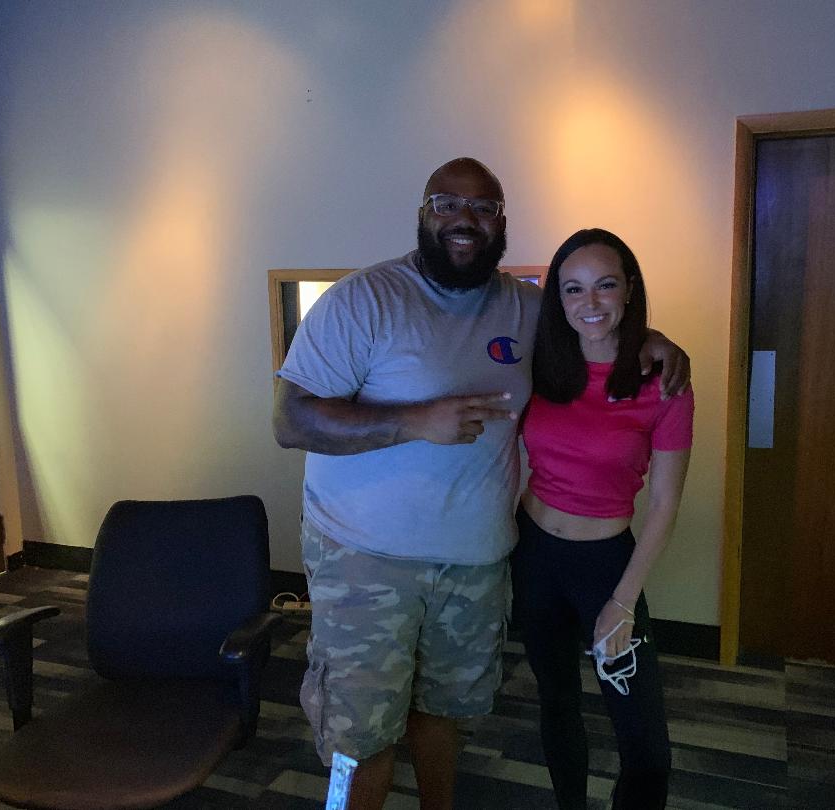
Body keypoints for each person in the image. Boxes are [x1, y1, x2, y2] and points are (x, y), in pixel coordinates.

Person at [272, 158, 689, 810]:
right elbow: (291, 420)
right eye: (446, 203)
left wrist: (654, 340)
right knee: (359, 736)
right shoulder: (363, 299)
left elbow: (593, 320)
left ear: (501, 222)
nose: (464, 218)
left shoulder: (527, 309)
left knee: (445, 714)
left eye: (483, 207)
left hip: (475, 565)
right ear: (423, 213)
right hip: (365, 562)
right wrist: (414, 420)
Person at [513, 228, 693, 810]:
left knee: (645, 745)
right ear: (558, 299)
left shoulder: (664, 381)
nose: (589, 303)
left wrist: (622, 600)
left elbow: (664, 503)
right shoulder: (538, 366)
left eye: (605, 285)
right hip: (534, 557)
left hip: (605, 567)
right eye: (573, 289)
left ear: (629, 289)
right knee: (557, 703)